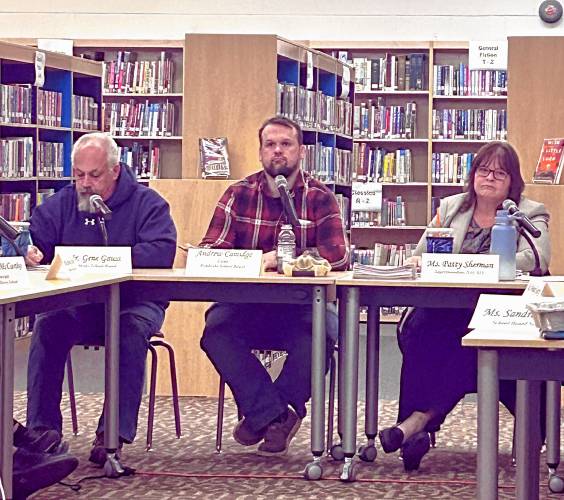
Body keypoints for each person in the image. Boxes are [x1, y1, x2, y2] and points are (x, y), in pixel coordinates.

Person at [378, 141, 551, 471]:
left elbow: (537, 257)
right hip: (447, 309)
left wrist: (481, 266)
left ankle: (415, 425)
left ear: (513, 180)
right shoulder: (451, 207)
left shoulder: (530, 212)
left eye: (500, 172)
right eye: (483, 170)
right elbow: (420, 253)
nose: (490, 178)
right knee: (422, 329)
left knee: (471, 342)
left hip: (502, 312)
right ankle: (414, 429)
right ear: (472, 175)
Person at [24, 132, 177, 466]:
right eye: (78, 174)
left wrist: (108, 259)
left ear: (115, 170)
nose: (84, 183)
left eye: (94, 175)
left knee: (130, 330)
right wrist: (32, 252)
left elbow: (162, 251)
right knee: (48, 324)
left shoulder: (147, 203)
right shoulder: (63, 203)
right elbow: (38, 239)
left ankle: (112, 435)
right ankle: (42, 430)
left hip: (135, 302)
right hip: (79, 303)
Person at [199, 116, 349, 456]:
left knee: (322, 334)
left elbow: (338, 257)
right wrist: (258, 260)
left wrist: (286, 261)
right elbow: (210, 251)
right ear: (261, 151)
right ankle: (276, 415)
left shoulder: (320, 197)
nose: (278, 151)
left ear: (301, 151)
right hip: (246, 305)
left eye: (286, 144)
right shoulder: (238, 193)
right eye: (270, 144)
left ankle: (264, 415)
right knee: (215, 331)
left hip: (301, 307)